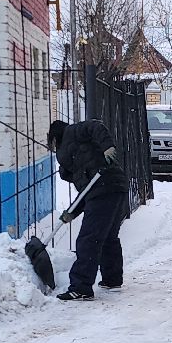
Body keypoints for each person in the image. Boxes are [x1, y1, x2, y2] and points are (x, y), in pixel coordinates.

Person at [48, 117, 129, 300]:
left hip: (105, 187)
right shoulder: (84, 167)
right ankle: (112, 279)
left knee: (88, 239)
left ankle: (81, 287)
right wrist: (72, 212)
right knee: (108, 237)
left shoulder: (72, 132)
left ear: (55, 137)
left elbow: (95, 125)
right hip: (116, 186)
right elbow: (88, 192)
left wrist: (108, 146)